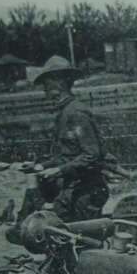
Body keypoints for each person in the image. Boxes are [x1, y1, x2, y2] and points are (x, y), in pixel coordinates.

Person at [24, 65, 108, 223]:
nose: (44, 90)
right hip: (72, 188)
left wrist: (58, 170)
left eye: (47, 84)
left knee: (80, 238)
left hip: (86, 191)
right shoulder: (63, 114)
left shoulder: (76, 114)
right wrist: (41, 166)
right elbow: (65, 154)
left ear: (59, 83)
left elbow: (92, 154)